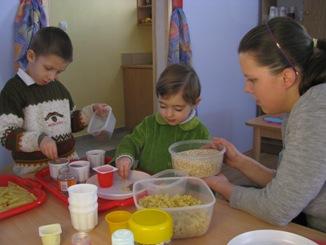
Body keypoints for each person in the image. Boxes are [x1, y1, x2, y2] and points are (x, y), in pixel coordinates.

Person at [204, 17, 326, 232]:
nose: (246, 89)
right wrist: (240, 161)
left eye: (253, 80)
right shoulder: (299, 105)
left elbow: (277, 208)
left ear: (287, 77)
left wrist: (223, 187)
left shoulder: (315, 109)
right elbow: (288, 188)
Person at [0, 27, 109, 175]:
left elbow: (70, 122)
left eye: (58, 72)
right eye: (48, 68)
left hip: (67, 168)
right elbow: (6, 134)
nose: (52, 77)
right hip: (33, 173)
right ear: (31, 56)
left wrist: (92, 112)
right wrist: (39, 140)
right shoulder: (13, 91)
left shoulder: (59, 89)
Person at [115, 64, 209, 177]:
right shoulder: (149, 124)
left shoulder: (200, 132)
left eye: (178, 109)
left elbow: (206, 168)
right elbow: (131, 141)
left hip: (181, 190)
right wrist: (125, 157)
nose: (168, 114)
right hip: (147, 184)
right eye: (163, 106)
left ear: (195, 103)